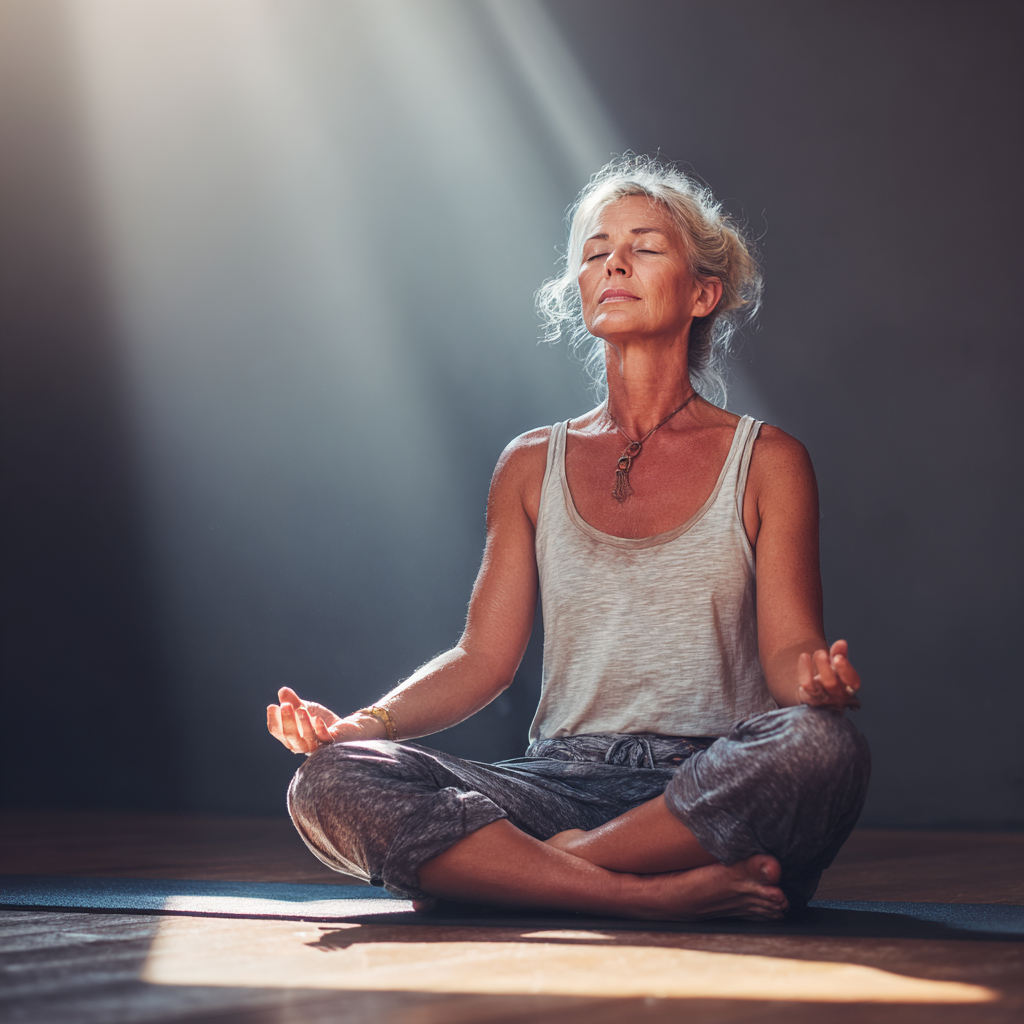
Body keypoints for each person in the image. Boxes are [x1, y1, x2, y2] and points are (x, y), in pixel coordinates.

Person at [266, 155, 870, 922]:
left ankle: (536, 872)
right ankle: (645, 898)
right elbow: (482, 659)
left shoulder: (770, 460)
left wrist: (816, 688)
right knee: (329, 778)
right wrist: (358, 726)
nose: (613, 260)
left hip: (708, 784)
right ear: (580, 289)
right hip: (556, 783)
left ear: (703, 294)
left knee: (823, 748)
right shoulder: (529, 463)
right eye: (595, 251)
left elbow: (790, 656)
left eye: (645, 246)